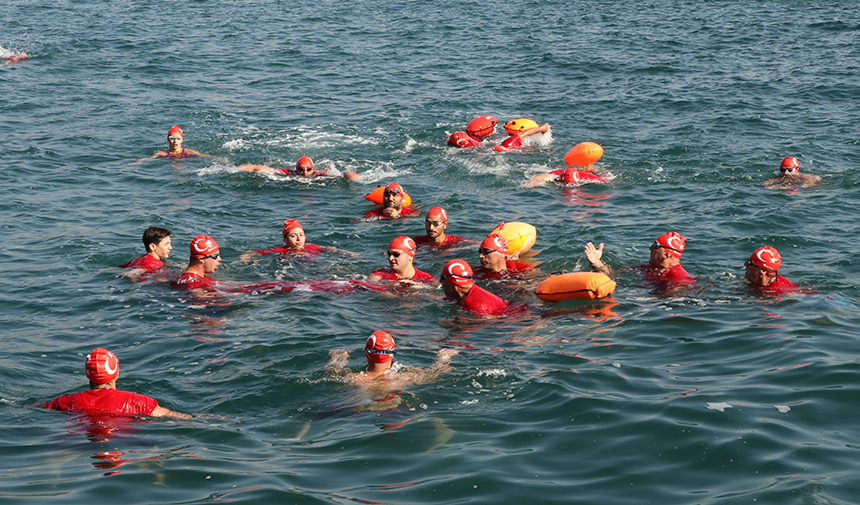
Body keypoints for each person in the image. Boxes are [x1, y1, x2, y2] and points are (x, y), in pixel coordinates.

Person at [43, 348, 190, 419]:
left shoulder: (66, 401)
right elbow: (174, 415)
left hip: (81, 438)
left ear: (88, 374)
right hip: (125, 439)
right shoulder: (138, 402)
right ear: (116, 373)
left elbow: (36, 406)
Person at [327, 331, 458, 385]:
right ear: (392, 353)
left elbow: (331, 371)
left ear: (367, 353)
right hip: (396, 410)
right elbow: (437, 372)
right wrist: (443, 357)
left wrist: (337, 359)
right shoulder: (406, 376)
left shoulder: (355, 379)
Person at [585, 232, 695, 288]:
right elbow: (611, 273)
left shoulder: (679, 278)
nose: (650, 248)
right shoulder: (646, 268)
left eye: (655, 245)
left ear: (666, 254)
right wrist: (596, 263)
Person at [239, 219, 355, 261]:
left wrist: (348, 253)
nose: (299, 239)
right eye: (293, 236)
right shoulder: (281, 250)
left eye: (301, 235)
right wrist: (245, 257)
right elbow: (257, 253)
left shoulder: (312, 247)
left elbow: (330, 248)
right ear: (285, 240)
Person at [440, 259, 509, 316]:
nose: (440, 281)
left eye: (442, 278)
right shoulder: (461, 294)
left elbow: (491, 322)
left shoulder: (477, 307)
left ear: (454, 282)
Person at [369, 236, 435, 283]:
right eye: (389, 254)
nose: (391, 258)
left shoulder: (425, 278)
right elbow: (372, 282)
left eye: (396, 254)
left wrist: (417, 286)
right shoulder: (380, 274)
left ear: (410, 256)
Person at [237, 155, 359, 180]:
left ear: (313, 169)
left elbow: (340, 174)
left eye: (308, 169)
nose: (305, 172)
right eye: (301, 169)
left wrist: (347, 175)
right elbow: (268, 169)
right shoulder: (291, 173)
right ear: (296, 169)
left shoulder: (319, 174)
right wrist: (252, 167)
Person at [133, 125, 214, 163]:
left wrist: (218, 159)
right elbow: (148, 159)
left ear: (182, 140)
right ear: (168, 139)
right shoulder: (162, 154)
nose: (175, 141)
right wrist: (137, 162)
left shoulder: (189, 152)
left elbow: (204, 156)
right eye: (172, 138)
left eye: (178, 139)